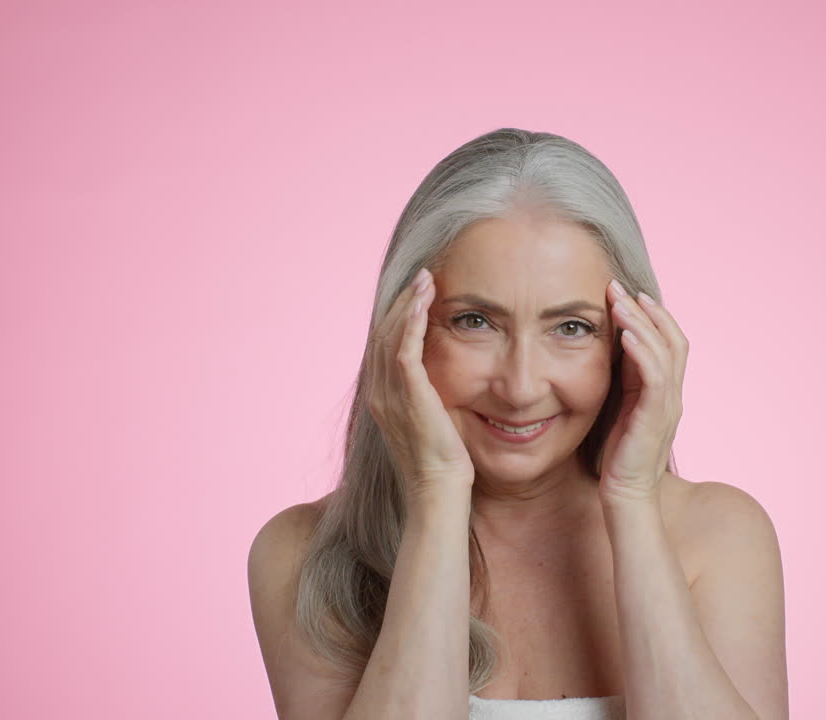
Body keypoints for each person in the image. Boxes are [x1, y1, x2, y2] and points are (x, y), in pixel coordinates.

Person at [247, 128, 789, 720]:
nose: (521, 386)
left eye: (572, 328)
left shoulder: (721, 537)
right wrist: (436, 494)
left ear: (628, 345)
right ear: (404, 329)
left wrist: (633, 501)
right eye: (475, 321)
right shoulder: (305, 556)